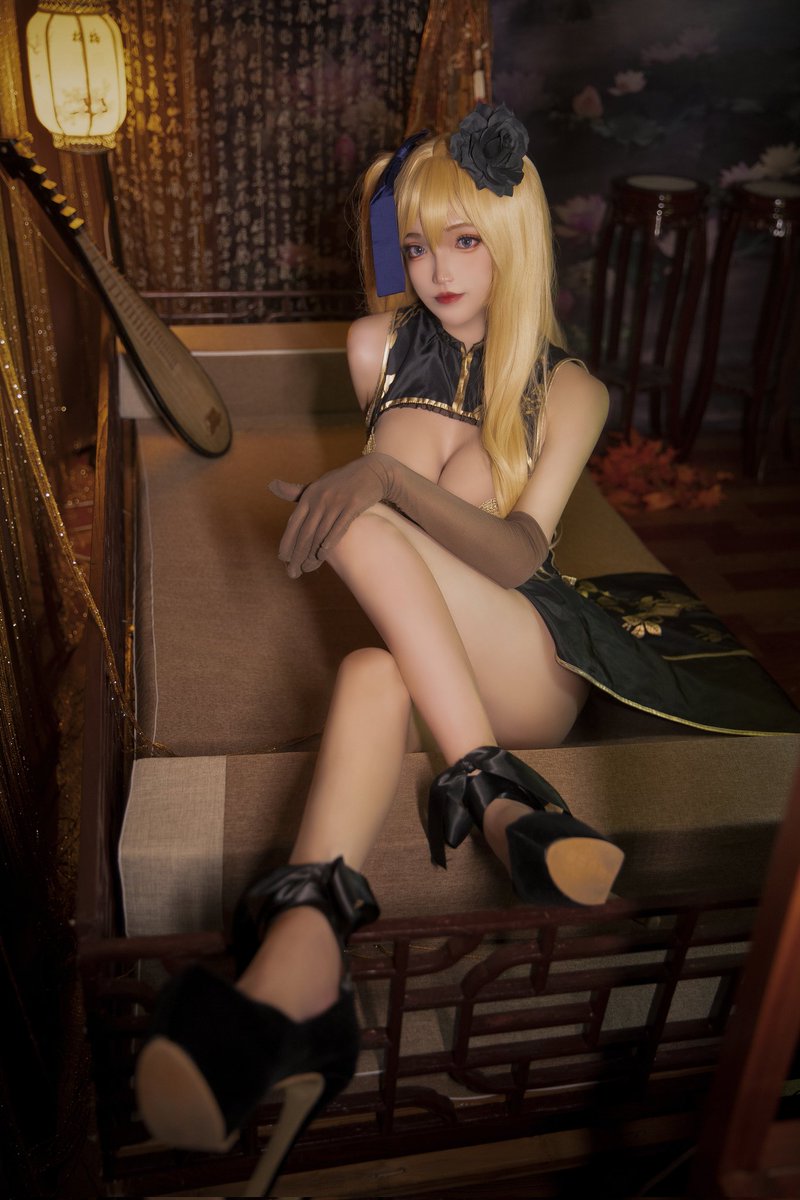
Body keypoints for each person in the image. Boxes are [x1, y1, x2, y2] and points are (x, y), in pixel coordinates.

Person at [134, 104, 799, 1197]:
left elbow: (516, 553)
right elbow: (394, 547)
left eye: (463, 241)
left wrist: (386, 478)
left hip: (527, 656)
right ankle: (300, 974)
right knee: (367, 670)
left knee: (360, 518)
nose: (435, 271)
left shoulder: (570, 389)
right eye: (415, 245)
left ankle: (490, 778)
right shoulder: (373, 349)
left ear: (513, 240)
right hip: (425, 654)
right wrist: (376, 485)